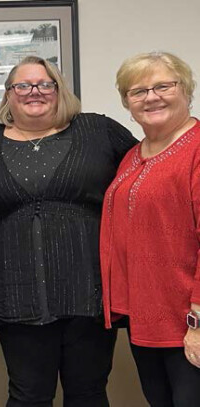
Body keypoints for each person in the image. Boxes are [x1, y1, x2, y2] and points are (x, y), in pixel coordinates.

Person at [0, 56, 138, 407]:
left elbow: (141, 184)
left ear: (59, 90)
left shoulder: (98, 131)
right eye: (22, 85)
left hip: (90, 290)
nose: (33, 92)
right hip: (15, 292)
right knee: (28, 396)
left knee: (88, 393)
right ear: (9, 95)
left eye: (44, 84)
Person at [100, 51, 200, 407]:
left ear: (186, 90)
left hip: (189, 321)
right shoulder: (133, 154)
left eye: (163, 86)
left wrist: (198, 324)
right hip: (147, 320)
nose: (151, 97)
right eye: (138, 91)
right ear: (127, 102)